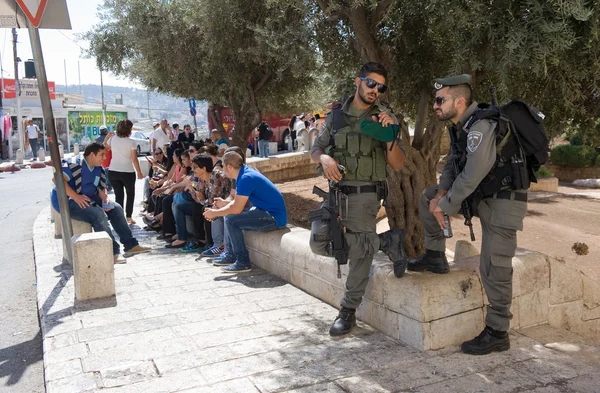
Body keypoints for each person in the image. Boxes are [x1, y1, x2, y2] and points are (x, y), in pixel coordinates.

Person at [408, 74, 528, 355]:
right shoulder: (460, 127)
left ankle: (498, 332)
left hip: (503, 201)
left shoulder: (481, 126)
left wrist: (447, 204)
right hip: (481, 197)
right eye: (435, 101)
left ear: (459, 101)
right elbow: (453, 164)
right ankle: (436, 256)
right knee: (428, 197)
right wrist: (441, 194)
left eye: (440, 100)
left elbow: (474, 172)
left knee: (493, 265)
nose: (436, 105)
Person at [309, 62, 407, 337]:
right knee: (319, 243)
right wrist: (325, 157)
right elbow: (316, 150)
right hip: (337, 192)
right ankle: (386, 241)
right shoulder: (337, 116)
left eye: (381, 87)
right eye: (371, 83)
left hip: (366, 195)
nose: (375, 90)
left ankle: (348, 311)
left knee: (359, 253)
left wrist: (391, 136)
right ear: (358, 81)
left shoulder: (383, 119)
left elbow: (398, 164)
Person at [50, 142, 151, 263]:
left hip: (88, 197)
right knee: (98, 214)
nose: (104, 158)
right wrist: (76, 197)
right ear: (92, 154)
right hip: (67, 201)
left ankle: (131, 245)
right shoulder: (74, 163)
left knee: (116, 208)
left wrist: (104, 198)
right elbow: (57, 179)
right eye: (102, 155)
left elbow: (100, 187)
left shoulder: (99, 168)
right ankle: (112, 252)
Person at [203, 151, 287, 273]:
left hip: (274, 218)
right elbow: (237, 202)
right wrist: (218, 210)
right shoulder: (244, 173)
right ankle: (230, 255)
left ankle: (243, 262)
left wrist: (215, 213)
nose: (222, 170)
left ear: (229, 167)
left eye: (223, 167)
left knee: (231, 220)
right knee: (230, 216)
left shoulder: (246, 178)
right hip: (264, 211)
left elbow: (236, 209)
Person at [105, 119, 145, 224]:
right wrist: (139, 172)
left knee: (119, 195)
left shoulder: (112, 139)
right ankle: (128, 216)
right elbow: (134, 159)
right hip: (127, 171)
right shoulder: (131, 142)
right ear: (129, 129)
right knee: (130, 194)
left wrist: (106, 138)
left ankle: (119, 217)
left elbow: (106, 147)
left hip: (113, 170)